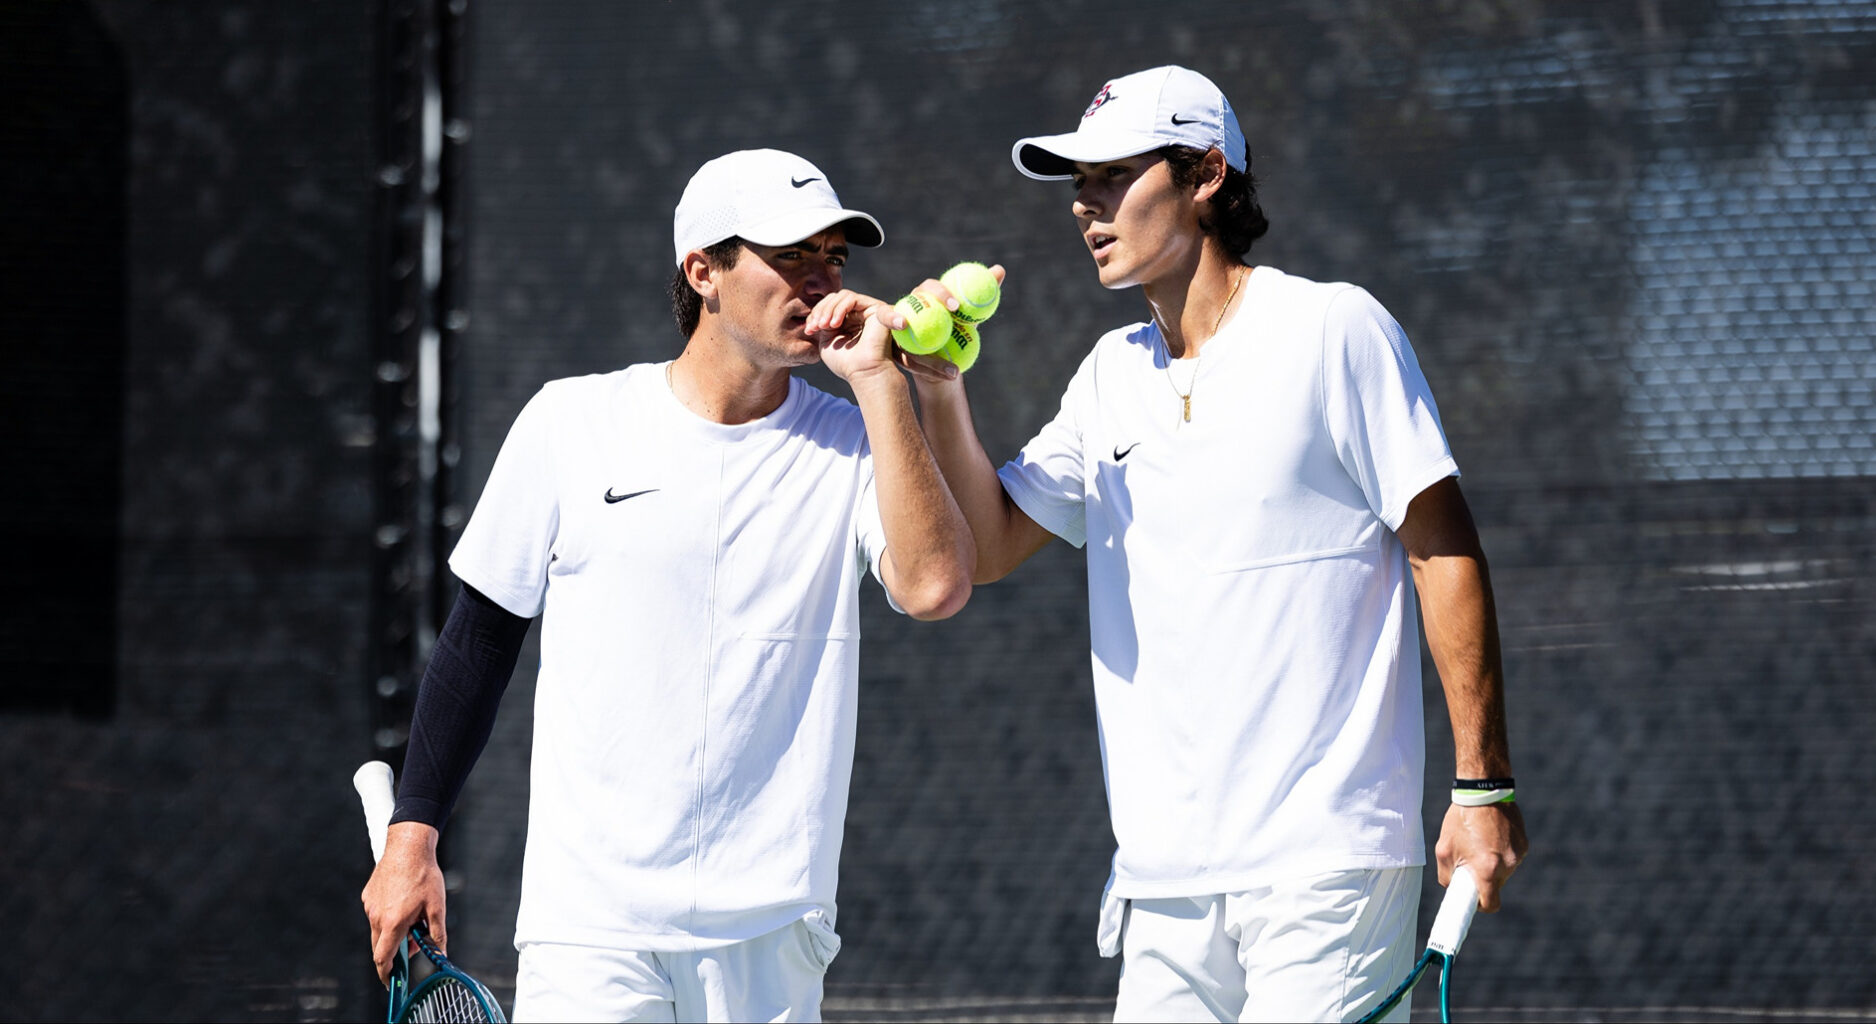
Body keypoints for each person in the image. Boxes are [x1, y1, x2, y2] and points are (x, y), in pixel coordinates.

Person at [906, 66, 1528, 1021]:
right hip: (1162, 883)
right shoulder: (1108, 375)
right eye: (1080, 181)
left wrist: (1481, 788)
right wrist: (939, 390)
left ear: (1204, 175)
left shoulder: (1334, 329)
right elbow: (985, 546)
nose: (1084, 203)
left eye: (1115, 176)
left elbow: (1442, 551)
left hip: (1328, 868)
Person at [360, 148, 976, 1023]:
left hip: (771, 931)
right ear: (703, 272)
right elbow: (478, 644)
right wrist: (411, 838)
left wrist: (881, 382)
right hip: (591, 932)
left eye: (833, 257)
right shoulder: (570, 422)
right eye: (790, 255)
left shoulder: (853, 440)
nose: (822, 280)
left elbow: (934, 587)